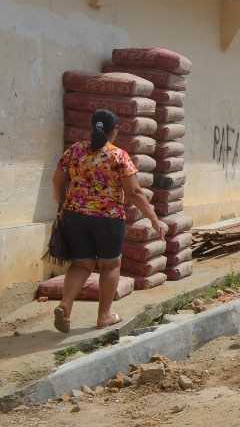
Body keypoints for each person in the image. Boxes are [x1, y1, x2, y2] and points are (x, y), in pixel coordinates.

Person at [51, 109, 166, 332]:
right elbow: (134, 192)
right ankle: (104, 316)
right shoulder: (118, 156)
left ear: (92, 127)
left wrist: (62, 203)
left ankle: (65, 306)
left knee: (81, 264)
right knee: (110, 264)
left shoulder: (75, 150)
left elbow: (57, 179)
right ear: (114, 131)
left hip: (75, 216)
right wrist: (153, 219)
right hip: (107, 219)